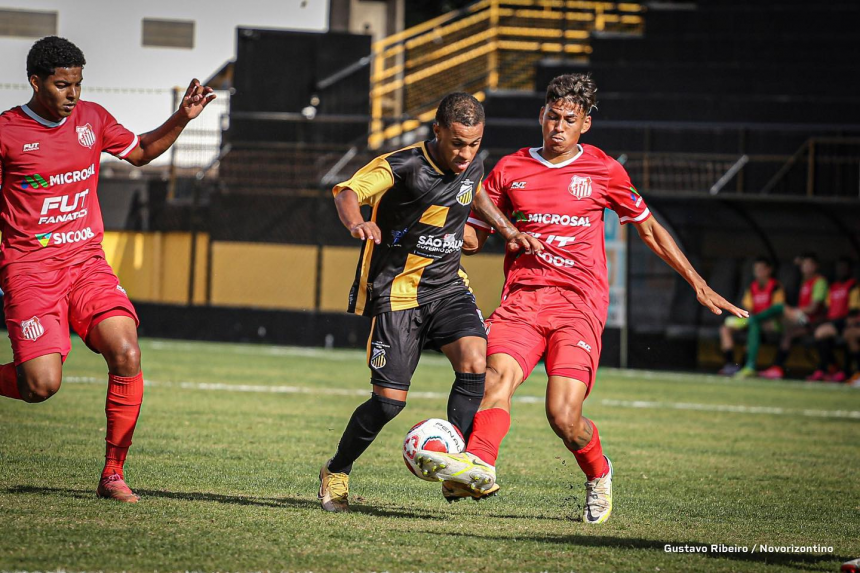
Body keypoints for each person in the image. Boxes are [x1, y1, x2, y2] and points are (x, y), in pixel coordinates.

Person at [413, 74, 746, 523]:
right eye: (552, 116)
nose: (558, 127)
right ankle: (479, 465)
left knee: (563, 416)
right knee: (495, 382)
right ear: (541, 115)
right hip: (522, 302)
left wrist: (698, 283)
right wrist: (440, 227)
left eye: (569, 119)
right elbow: (476, 237)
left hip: (578, 307)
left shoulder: (604, 170)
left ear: (584, 124)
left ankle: (598, 473)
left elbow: (648, 229)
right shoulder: (509, 170)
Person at [0, 36, 215, 502]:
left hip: (86, 265)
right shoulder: (7, 132)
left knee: (127, 353)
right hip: (30, 272)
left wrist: (183, 117)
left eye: (77, 83)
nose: (72, 94)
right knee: (40, 386)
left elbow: (140, 152)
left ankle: (112, 474)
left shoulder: (91, 119)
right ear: (35, 82)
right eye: (61, 85)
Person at [317, 93, 541, 512]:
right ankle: (337, 470)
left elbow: (474, 193)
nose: (466, 153)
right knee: (388, 403)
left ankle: (456, 467)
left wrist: (508, 231)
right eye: (457, 142)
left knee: (477, 360)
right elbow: (346, 191)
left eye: (474, 143)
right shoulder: (402, 165)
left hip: (448, 287)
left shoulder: (472, 163)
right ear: (436, 130)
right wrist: (357, 222)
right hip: (397, 294)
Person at [752, 253, 828, 380]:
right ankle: (776, 367)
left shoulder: (819, 282)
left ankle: (826, 369)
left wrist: (792, 310)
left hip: (814, 321)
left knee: (780, 308)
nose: (805, 267)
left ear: (816, 266)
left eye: (809, 265)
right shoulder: (804, 281)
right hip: (800, 321)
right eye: (804, 264)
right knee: (786, 334)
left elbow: (813, 308)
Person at [717, 257, 785, 376]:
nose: (758, 272)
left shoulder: (775, 287)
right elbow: (748, 307)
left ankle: (748, 365)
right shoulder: (752, 287)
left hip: (770, 322)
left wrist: (758, 317)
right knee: (725, 328)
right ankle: (730, 364)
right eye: (756, 269)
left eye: (761, 269)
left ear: (769, 270)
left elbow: (778, 308)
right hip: (752, 319)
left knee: (754, 326)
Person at [808, 257, 859, 382]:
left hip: (847, 322)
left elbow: (853, 311)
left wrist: (844, 322)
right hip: (834, 322)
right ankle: (832, 369)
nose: (840, 270)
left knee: (844, 334)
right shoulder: (833, 287)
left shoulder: (853, 286)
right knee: (819, 332)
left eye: (844, 268)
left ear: (849, 270)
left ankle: (845, 371)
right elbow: (827, 308)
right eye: (839, 268)